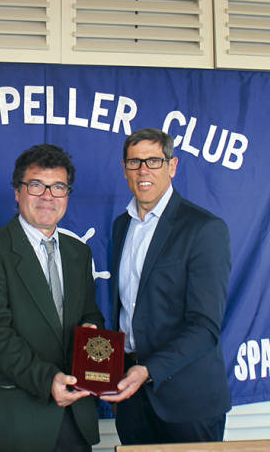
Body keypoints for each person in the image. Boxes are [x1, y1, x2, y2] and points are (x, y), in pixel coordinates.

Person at [0, 144, 105, 452]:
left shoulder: (78, 253)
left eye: (58, 187)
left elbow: (90, 314)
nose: (48, 196)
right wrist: (47, 379)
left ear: (67, 194)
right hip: (12, 419)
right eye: (36, 185)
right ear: (18, 192)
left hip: (74, 416)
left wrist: (91, 335)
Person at [101, 128, 232, 444]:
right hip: (131, 395)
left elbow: (205, 327)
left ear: (172, 167)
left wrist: (147, 370)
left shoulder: (204, 229)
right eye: (134, 162)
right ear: (124, 169)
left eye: (153, 161)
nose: (143, 170)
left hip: (187, 400)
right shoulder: (122, 226)